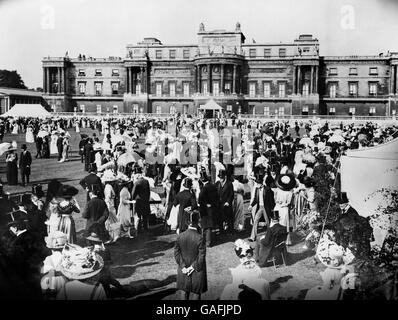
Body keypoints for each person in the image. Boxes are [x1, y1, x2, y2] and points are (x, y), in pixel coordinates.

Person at [174, 210, 207, 300]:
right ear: (198, 221)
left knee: (183, 292)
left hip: (183, 270)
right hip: (197, 271)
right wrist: (192, 267)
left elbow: (176, 253)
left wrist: (184, 267)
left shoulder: (180, 237)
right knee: (195, 293)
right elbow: (201, 256)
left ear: (187, 222)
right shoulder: (200, 238)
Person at [333, 192, 373, 259]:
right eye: (339, 203)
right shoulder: (341, 210)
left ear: (347, 202)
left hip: (354, 235)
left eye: (342, 203)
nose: (341, 205)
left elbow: (355, 228)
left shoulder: (352, 212)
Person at [248, 175, 275, 242]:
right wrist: (251, 205)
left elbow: (271, 200)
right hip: (260, 207)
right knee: (255, 220)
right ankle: (253, 237)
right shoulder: (257, 189)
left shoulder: (267, 189)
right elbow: (255, 199)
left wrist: (272, 209)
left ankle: (270, 236)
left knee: (268, 222)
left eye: (257, 183)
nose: (256, 185)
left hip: (266, 208)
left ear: (261, 183)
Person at [274, 173, 295, 245]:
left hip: (278, 207)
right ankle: (287, 240)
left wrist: (279, 203)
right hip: (285, 208)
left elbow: (275, 199)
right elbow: (290, 203)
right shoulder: (290, 193)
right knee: (285, 225)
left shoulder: (277, 190)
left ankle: (277, 239)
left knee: (277, 223)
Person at [198, 171, 218, 247]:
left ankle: (206, 242)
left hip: (205, 209)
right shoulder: (213, 186)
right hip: (212, 208)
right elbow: (217, 197)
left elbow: (200, 200)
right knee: (210, 225)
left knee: (205, 226)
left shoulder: (204, 189)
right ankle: (209, 241)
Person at [102, 170, 121, 243]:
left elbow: (109, 196)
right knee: (112, 220)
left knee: (110, 220)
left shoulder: (107, 187)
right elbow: (110, 196)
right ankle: (114, 234)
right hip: (110, 204)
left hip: (109, 204)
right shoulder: (109, 186)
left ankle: (113, 235)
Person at [131, 166, 151, 232]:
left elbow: (133, 193)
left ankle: (139, 228)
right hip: (145, 200)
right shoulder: (146, 181)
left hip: (139, 200)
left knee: (138, 215)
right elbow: (148, 191)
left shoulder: (137, 183)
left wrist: (132, 198)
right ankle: (145, 227)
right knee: (145, 215)